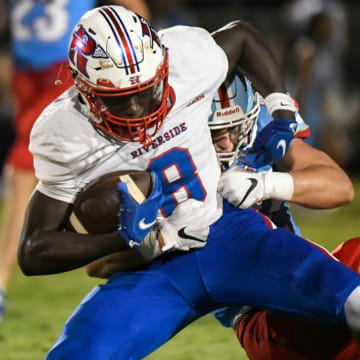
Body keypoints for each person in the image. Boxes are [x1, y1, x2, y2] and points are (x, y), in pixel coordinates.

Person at [17, 6, 360, 359]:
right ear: (85, 91)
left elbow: (242, 35)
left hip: (232, 234)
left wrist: (282, 108)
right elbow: (33, 251)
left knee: (355, 302)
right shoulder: (64, 133)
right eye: (119, 100)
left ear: (163, 67)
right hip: (157, 269)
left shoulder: (187, 57)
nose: (137, 109)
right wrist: (126, 238)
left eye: (147, 91)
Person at [0, 0, 150, 321]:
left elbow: (132, 7)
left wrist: (139, 51)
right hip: (25, 65)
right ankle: (122, 248)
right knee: (31, 169)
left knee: (21, 169)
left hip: (67, 64)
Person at [207, 71, 360, 359]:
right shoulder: (169, 152)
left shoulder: (260, 121)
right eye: (214, 133)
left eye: (235, 129)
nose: (227, 143)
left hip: (310, 285)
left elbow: (340, 187)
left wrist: (267, 184)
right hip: (263, 317)